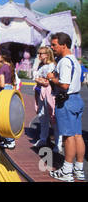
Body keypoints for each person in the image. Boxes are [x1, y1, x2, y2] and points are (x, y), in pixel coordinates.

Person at [47, 32, 85, 182]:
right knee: (78, 135)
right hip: (76, 98)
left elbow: (64, 84)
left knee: (69, 137)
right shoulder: (75, 60)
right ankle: (79, 168)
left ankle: (67, 171)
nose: (52, 47)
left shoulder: (64, 62)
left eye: (54, 45)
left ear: (64, 45)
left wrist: (51, 78)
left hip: (66, 100)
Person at [33, 46, 62, 152]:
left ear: (47, 54)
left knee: (52, 117)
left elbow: (46, 81)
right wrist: (39, 79)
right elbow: (38, 78)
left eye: (41, 53)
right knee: (42, 115)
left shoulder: (51, 65)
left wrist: (38, 79)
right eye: (38, 53)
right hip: (40, 92)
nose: (39, 55)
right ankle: (43, 138)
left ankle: (58, 143)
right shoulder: (41, 65)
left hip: (49, 93)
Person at [0, 50, 17, 149]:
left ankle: (8, 140)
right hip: (10, 90)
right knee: (9, 116)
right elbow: (14, 82)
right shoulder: (11, 66)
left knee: (2, 116)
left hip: (3, 91)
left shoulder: (2, 68)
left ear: (3, 56)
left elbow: (2, 84)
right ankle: (10, 139)